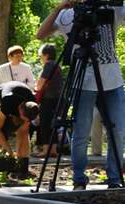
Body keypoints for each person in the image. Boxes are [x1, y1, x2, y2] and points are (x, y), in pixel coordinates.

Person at [39, 0, 125, 189]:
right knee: (81, 132)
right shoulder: (67, 15)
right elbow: (40, 34)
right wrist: (59, 8)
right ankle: (79, 178)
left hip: (114, 81)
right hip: (84, 81)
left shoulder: (110, 9)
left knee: (119, 131)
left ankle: (115, 178)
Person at [0, 81, 38, 160]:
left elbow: (23, 131)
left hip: (21, 96)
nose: (25, 121)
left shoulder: (33, 105)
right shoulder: (8, 102)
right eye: (23, 118)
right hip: (0, 98)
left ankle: (23, 160)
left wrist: (19, 157)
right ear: (20, 110)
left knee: (24, 131)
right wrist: (10, 153)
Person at [0, 45, 35, 130]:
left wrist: (25, 90)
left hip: (21, 97)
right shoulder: (3, 68)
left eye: (21, 56)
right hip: (5, 96)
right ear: (10, 57)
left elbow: (32, 82)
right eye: (17, 56)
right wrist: (1, 94)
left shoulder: (26, 67)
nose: (19, 58)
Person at [34, 44, 62, 157]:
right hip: (58, 98)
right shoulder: (57, 65)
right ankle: (53, 150)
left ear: (46, 55)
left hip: (48, 98)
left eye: (41, 56)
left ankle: (45, 150)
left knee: (45, 124)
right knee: (53, 124)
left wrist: (35, 88)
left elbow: (40, 84)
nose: (41, 58)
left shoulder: (49, 64)